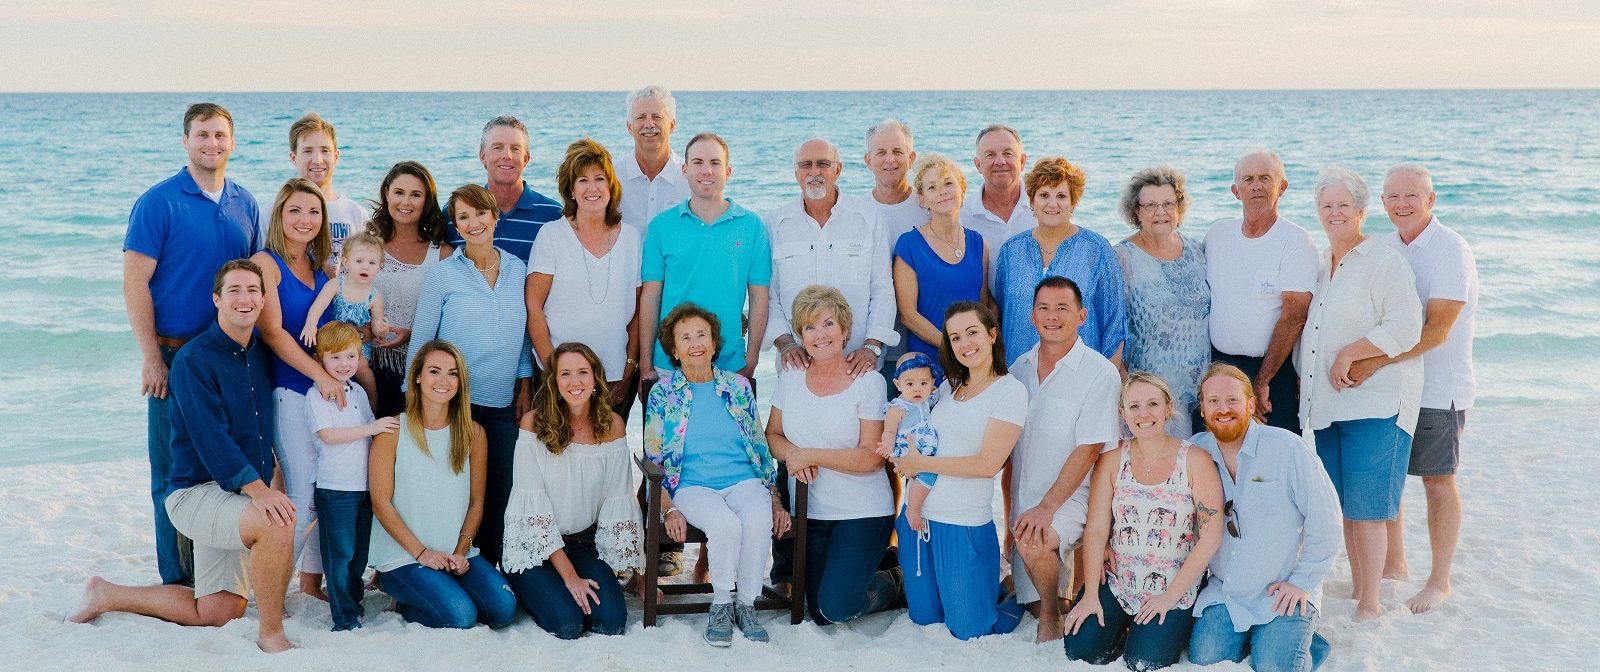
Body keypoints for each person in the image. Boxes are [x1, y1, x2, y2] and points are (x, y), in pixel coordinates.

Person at [70, 260, 295, 653]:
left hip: (237, 496)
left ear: (263, 299)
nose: (245, 299)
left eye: (252, 291)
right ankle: (272, 634)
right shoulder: (193, 360)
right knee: (275, 522)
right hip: (195, 493)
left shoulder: (260, 354)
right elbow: (213, 441)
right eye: (234, 291)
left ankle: (105, 593)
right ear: (217, 299)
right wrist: (262, 493)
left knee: (219, 612)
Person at [123, 102, 262, 586]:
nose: (212, 144)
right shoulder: (158, 202)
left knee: (224, 461)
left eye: (220, 135)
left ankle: (220, 573)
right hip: (175, 354)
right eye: (202, 135)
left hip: (231, 356)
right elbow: (134, 284)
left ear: (233, 141)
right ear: (186, 141)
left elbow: (253, 281)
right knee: (172, 471)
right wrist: (150, 358)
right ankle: (177, 579)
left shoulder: (246, 201)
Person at [1298, 167, 1422, 622]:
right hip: (1328, 407)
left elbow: (1405, 327)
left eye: (1342, 206)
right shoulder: (1322, 264)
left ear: (1361, 212)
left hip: (1376, 402)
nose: (1333, 213)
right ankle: (1358, 586)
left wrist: (1352, 351)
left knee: (1369, 508)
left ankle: (1370, 600)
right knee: (1345, 506)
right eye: (1326, 206)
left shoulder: (1384, 260)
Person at [645, 303, 790, 647]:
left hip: (744, 481)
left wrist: (774, 496)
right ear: (674, 350)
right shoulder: (663, 394)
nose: (695, 343)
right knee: (726, 526)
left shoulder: (738, 387)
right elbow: (653, 460)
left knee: (756, 521)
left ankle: (747, 603)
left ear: (713, 344)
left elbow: (758, 445)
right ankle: (722, 603)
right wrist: (668, 507)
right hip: (692, 486)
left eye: (702, 335)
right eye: (685, 338)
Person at [1369, 163, 1478, 614]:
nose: (1402, 204)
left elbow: (1437, 331)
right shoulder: (1386, 247)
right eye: (1392, 197)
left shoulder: (1450, 249)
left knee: (1437, 481)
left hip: (1438, 387)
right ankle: (1395, 564)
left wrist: (1373, 360)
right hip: (1394, 387)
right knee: (1389, 478)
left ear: (1430, 200)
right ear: (1382, 204)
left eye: (1411, 195)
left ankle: (1440, 581)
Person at [408, 184, 535, 567]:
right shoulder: (443, 276)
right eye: (462, 217)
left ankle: (489, 569)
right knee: (451, 493)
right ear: (456, 225)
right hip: (452, 404)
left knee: (499, 492)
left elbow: (524, 335)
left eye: (480, 214)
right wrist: (412, 401)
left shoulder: (518, 269)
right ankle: (441, 563)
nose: (473, 223)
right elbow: (421, 342)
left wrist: (525, 386)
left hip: (500, 403)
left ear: (495, 216)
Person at [1063, 372, 1224, 670]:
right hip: (1120, 581)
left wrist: (1168, 597)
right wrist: (1089, 595)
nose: (1144, 414)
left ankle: (1153, 631)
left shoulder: (1194, 460)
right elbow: (1097, 528)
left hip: (1173, 587)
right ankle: (1123, 624)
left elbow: (1211, 536)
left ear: (1168, 407)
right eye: (1134, 406)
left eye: (1152, 404)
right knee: (1079, 649)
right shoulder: (1113, 459)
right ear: (1123, 414)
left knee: (1144, 661)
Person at [1187, 364, 1341, 672]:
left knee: (1274, 666)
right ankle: (1270, 638)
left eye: (1232, 400)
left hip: (1281, 589)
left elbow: (1328, 523)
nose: (1223, 409)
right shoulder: (1195, 452)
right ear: (1202, 409)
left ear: (1251, 404)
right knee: (1205, 659)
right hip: (1226, 591)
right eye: (1213, 401)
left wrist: (1301, 582)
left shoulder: (1287, 448)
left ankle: (1301, 638)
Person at [765, 286, 903, 626]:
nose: (820, 334)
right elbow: (772, 435)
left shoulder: (868, 381)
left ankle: (897, 581)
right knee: (818, 611)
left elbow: (872, 458)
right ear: (800, 334)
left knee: (837, 607)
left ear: (845, 329)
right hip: (811, 513)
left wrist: (809, 454)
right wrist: (794, 454)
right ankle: (875, 562)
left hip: (862, 511)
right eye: (809, 327)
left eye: (828, 323)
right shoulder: (791, 376)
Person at [889, 301, 1025, 641]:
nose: (965, 343)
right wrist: (900, 454)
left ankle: (1011, 594)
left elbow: (987, 465)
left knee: (969, 629)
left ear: (993, 334)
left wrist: (923, 464)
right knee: (926, 621)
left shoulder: (1010, 390)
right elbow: (910, 423)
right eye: (955, 337)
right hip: (917, 520)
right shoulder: (947, 387)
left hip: (962, 524)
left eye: (972, 332)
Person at [369, 340, 517, 629]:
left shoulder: (473, 433)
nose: (444, 381)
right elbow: (380, 503)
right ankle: (404, 601)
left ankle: (439, 590)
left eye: (452, 373)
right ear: (418, 376)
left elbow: (476, 503)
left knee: (503, 608)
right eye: (435, 371)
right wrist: (423, 554)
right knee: (460, 615)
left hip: (455, 554)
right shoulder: (392, 430)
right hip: (403, 557)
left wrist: (461, 552)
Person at [247, 178, 348, 600]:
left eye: (314, 212)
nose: (305, 220)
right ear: (279, 216)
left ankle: (311, 585)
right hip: (289, 391)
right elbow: (273, 333)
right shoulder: (266, 263)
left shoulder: (321, 266)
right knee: (300, 491)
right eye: (295, 211)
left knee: (324, 487)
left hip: (323, 396)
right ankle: (274, 588)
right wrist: (321, 376)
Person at [1007, 276, 1121, 642]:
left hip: (1072, 499)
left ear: (1082, 315)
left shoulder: (1099, 373)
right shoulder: (1018, 370)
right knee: (1029, 599)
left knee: (1034, 542)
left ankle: (1051, 619)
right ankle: (1051, 600)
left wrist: (1045, 508)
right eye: (1043, 308)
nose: (1051, 316)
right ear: (1031, 315)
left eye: (1062, 308)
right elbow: (1011, 454)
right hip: (1027, 498)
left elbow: (1089, 450)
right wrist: (1010, 516)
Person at [501, 343, 640, 639]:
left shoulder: (612, 425)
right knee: (567, 626)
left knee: (610, 623)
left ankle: (556, 589)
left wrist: (637, 576)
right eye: (565, 374)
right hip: (534, 547)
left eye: (582, 373)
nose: (574, 382)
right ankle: (530, 586)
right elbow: (533, 510)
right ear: (553, 382)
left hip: (583, 544)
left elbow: (619, 500)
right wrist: (571, 578)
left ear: (595, 379)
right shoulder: (533, 424)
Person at [638, 132, 771, 393]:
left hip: (731, 365)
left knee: (729, 436)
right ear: (685, 170)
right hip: (668, 364)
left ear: (728, 171)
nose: (706, 170)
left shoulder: (752, 226)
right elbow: (650, 297)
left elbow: (759, 297)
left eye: (715, 163)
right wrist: (645, 364)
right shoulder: (661, 227)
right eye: (698, 162)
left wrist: (752, 359)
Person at [526, 138, 642, 419]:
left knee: (605, 455)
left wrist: (629, 369)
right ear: (571, 190)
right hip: (561, 378)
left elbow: (638, 312)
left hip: (613, 376)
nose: (593, 188)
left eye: (600, 179)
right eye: (582, 180)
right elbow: (534, 307)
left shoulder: (631, 237)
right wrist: (553, 371)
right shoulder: (551, 235)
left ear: (611, 186)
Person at [1204, 150, 1317, 434]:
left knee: (1276, 454)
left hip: (1275, 371)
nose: (1256, 186)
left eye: (1265, 178)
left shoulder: (1295, 240)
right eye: (1248, 179)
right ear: (1235, 191)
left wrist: (1262, 381)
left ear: (1282, 187)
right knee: (1219, 456)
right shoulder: (1217, 235)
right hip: (1220, 366)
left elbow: (1295, 315)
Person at [764, 138, 896, 378]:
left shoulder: (868, 218)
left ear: (838, 169)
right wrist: (786, 344)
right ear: (796, 173)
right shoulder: (776, 223)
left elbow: (883, 289)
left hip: (859, 366)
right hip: (798, 368)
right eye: (806, 165)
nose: (814, 172)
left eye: (823, 164)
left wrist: (872, 347)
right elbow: (769, 296)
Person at [304, 321, 399, 631]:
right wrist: (373, 428)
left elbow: (373, 435)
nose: (344, 364)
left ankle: (353, 603)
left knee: (359, 554)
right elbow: (328, 435)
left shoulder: (356, 390)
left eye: (350, 357)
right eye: (335, 358)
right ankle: (344, 616)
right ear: (320, 360)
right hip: (335, 487)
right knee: (340, 553)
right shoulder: (317, 394)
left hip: (363, 486)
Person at [995, 157, 1126, 367]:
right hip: (1018, 375)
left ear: (1073, 202)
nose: (1053, 204)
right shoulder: (1011, 251)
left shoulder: (1097, 250)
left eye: (1062, 196)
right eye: (1044, 195)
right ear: (1032, 201)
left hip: (1081, 378)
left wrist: (1107, 383)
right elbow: (1001, 312)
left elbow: (1114, 323)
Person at [1114, 166, 1210, 436]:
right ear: (1136, 211)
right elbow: (1113, 327)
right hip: (1151, 395)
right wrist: (1126, 388)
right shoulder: (1122, 257)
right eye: (1151, 205)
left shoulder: (1196, 249)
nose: (1161, 212)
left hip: (1200, 393)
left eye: (1168, 203)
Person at [369, 161, 454, 417]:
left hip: (420, 370)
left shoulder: (442, 254)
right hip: (367, 365)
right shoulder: (368, 245)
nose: (405, 202)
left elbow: (451, 320)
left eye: (415, 195)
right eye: (399, 192)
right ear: (386, 193)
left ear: (426, 201)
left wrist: (413, 335)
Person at [892, 155, 990, 363]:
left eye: (948, 183)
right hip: (927, 366)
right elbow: (908, 315)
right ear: (922, 199)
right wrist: (954, 347)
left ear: (962, 189)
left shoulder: (978, 244)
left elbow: (982, 305)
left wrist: (974, 350)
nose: (942, 191)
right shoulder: (909, 245)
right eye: (932, 187)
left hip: (973, 359)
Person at [849, 120, 926, 381]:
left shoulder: (928, 207)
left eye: (898, 152)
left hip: (921, 345)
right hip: (867, 350)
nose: (889, 160)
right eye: (881, 153)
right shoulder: (854, 213)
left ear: (911, 158)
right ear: (868, 160)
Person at [446, 116, 562, 264]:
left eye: (515, 149)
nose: (507, 156)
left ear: (526, 158)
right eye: (497, 147)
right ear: (483, 156)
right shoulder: (457, 213)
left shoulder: (553, 215)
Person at [299, 232, 388, 400]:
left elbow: (376, 327)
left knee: (362, 368)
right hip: (335, 339)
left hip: (357, 345)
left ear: (380, 266)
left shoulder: (375, 296)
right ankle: (324, 401)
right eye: (359, 261)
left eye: (372, 262)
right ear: (346, 262)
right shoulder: (336, 285)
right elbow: (318, 306)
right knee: (326, 364)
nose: (365, 267)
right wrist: (311, 324)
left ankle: (372, 401)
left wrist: (381, 329)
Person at [961, 124, 1037, 290]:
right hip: (985, 313)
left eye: (1008, 153)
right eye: (990, 155)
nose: (1000, 161)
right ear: (978, 165)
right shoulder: (962, 216)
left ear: (1022, 161)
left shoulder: (1045, 208)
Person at [875, 352, 942, 535]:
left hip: (924, 453)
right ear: (898, 384)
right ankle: (913, 509)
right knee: (927, 475)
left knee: (929, 475)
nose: (917, 389)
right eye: (910, 384)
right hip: (907, 452)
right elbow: (889, 431)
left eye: (924, 383)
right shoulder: (898, 407)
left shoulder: (926, 401)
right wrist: (887, 446)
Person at [287, 112, 366, 261]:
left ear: (335, 157)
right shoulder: (273, 212)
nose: (317, 160)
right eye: (308, 151)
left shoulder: (356, 214)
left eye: (325, 150)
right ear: (294, 157)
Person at [618, 85, 689, 237]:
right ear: (629, 127)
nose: (649, 124)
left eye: (657, 117)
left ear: (672, 125)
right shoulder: (612, 176)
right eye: (640, 117)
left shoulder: (690, 178)